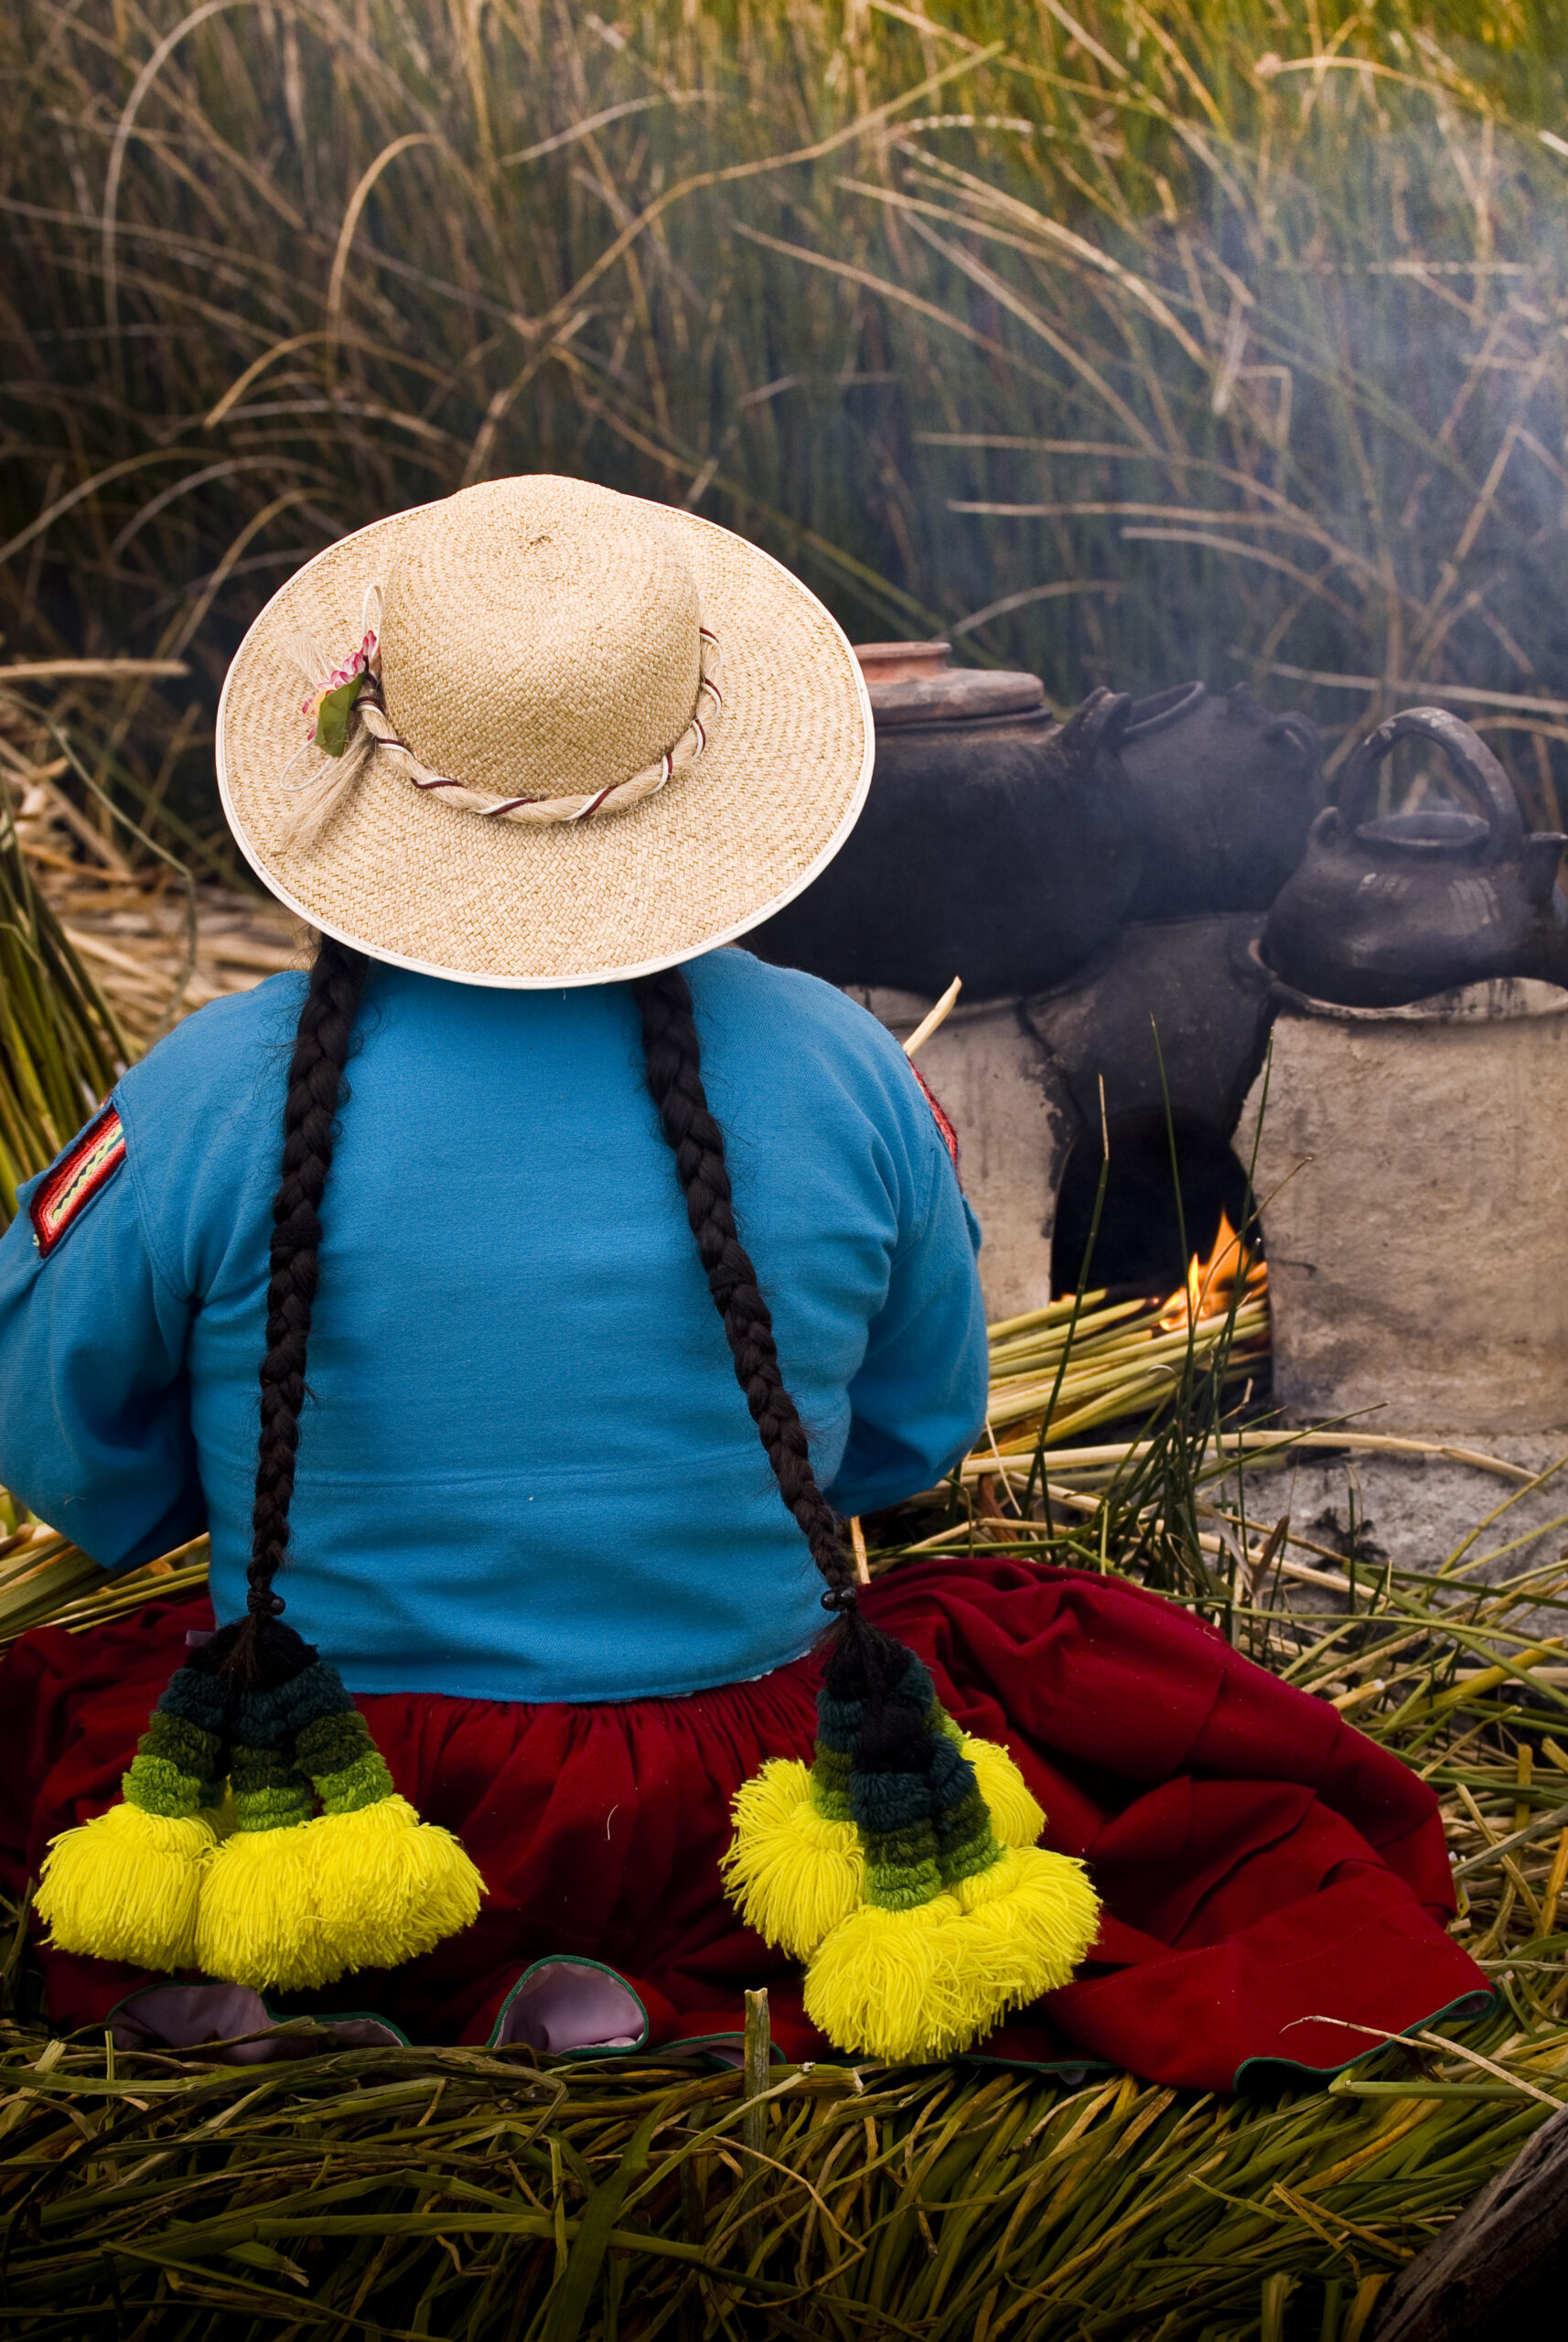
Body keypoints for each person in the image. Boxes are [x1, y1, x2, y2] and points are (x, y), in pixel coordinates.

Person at [0, 477, 1488, 2088]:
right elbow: (903, 1446)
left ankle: (355, 1970)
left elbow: (73, 1465)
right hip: (741, 1799)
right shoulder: (845, 1068)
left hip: (325, 1796)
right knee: (1026, 1645)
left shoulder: (209, 1091)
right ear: (698, 777)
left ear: (363, 759)